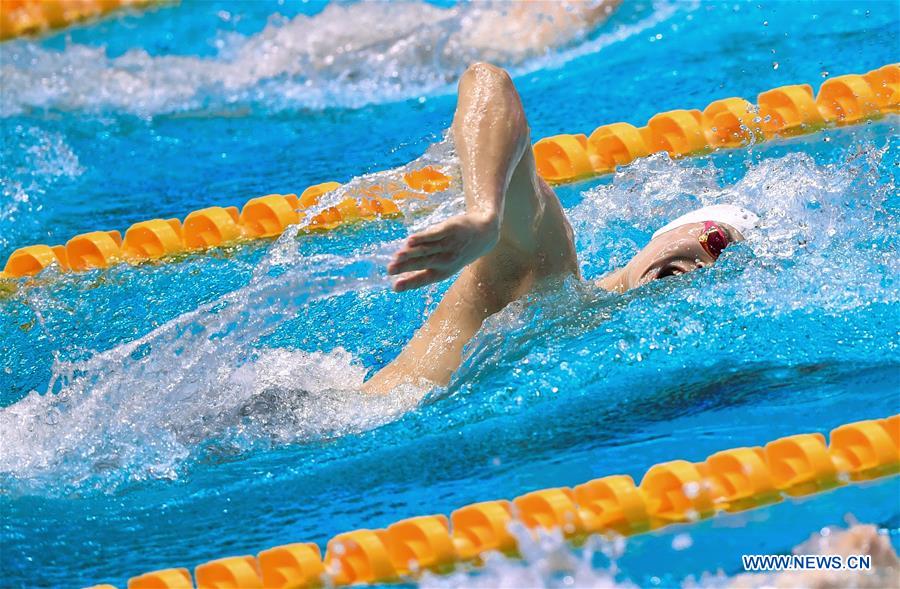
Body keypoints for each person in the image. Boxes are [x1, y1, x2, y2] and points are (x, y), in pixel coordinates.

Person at [362, 63, 757, 394]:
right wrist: (487, 214)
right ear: (663, 237)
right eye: (717, 239)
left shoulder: (607, 343)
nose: (711, 263)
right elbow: (487, 81)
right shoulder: (551, 271)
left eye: (725, 267)